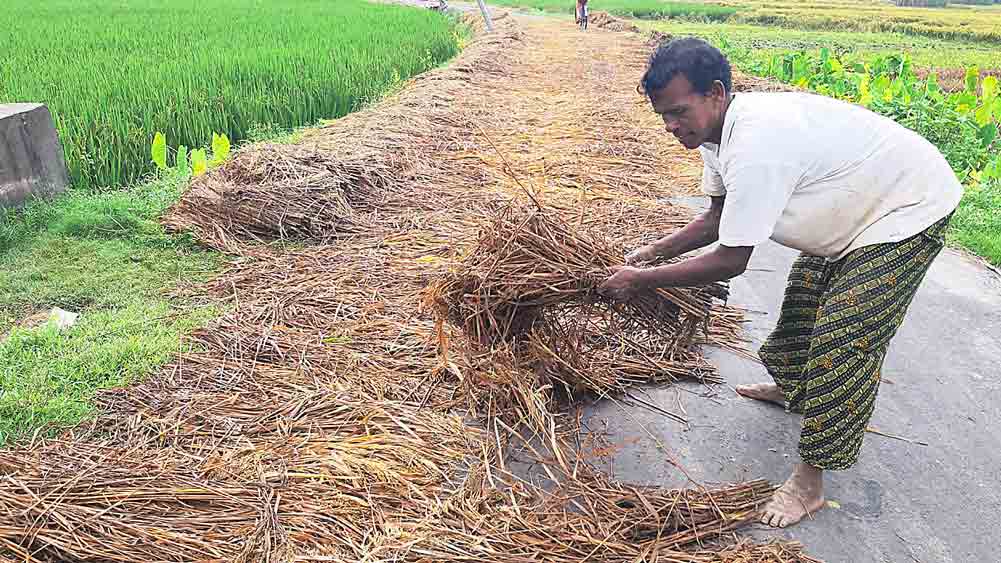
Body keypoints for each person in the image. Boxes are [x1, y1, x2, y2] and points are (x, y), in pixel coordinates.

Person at [599, 37, 962, 528]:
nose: (671, 126)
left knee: (844, 337)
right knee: (804, 301)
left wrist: (642, 280)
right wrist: (653, 251)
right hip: (858, 205)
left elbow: (732, 259)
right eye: (663, 115)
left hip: (907, 206)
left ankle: (810, 482)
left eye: (679, 112)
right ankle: (795, 388)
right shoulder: (716, 134)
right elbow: (718, 217)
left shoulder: (756, 144)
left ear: (716, 93)